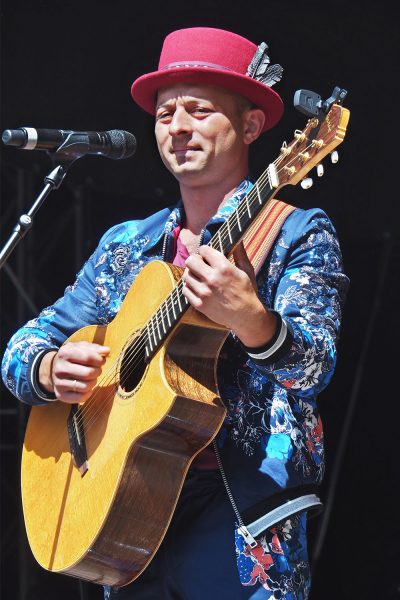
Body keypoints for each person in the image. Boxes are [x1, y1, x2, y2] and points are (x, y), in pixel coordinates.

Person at [2, 27, 349, 599]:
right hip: (124, 504)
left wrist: (253, 320)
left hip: (242, 515)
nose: (178, 127)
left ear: (253, 125)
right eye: (165, 114)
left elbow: (314, 370)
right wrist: (46, 368)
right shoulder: (126, 246)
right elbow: (23, 344)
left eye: (199, 110)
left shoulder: (293, 234)